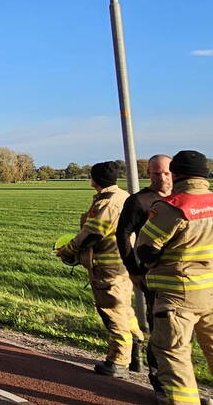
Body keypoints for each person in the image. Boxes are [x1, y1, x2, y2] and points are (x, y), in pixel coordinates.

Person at [135, 150, 213, 405]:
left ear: (176, 174)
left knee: (175, 360)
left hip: (177, 296)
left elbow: (145, 249)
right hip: (210, 292)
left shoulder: (172, 207)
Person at [56, 161, 143, 376]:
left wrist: (68, 251)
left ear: (93, 180)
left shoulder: (106, 203)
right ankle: (136, 347)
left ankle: (118, 361)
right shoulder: (124, 196)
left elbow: (92, 233)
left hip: (107, 266)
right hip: (122, 263)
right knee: (124, 307)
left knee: (112, 311)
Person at [116, 154, 173, 390]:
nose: (163, 178)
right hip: (154, 278)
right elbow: (122, 234)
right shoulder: (139, 202)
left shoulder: (183, 199)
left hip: (187, 279)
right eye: (157, 173)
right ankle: (159, 381)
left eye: (167, 173)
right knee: (160, 329)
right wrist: (133, 270)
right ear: (148, 174)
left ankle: (181, 382)